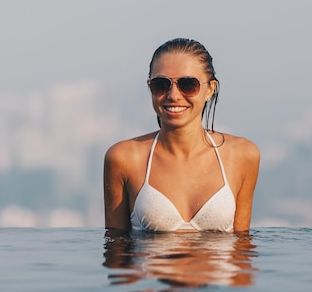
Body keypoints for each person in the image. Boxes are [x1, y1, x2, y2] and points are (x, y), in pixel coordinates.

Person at [103, 38, 260, 233]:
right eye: (161, 84)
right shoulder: (123, 157)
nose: (173, 95)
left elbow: (242, 247)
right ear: (150, 87)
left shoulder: (243, 155)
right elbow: (114, 249)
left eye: (188, 84)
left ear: (210, 89)